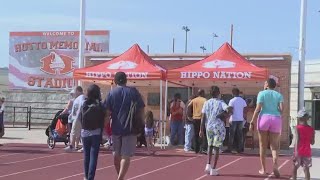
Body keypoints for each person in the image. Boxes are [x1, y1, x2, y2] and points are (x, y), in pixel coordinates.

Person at [104, 72, 145, 180]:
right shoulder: (134, 92)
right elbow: (141, 109)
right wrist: (142, 123)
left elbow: (107, 113)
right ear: (126, 80)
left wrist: (104, 127)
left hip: (116, 128)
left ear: (115, 81)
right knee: (126, 155)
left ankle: (120, 176)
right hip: (130, 128)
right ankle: (120, 178)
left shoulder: (111, 93)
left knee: (116, 154)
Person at [249, 78, 283, 177]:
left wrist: (252, 121)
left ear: (267, 85)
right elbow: (281, 109)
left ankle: (263, 169)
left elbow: (257, 109)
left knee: (262, 145)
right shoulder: (279, 95)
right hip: (276, 119)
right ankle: (275, 165)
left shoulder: (262, 93)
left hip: (264, 118)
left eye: (265, 83)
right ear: (275, 86)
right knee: (274, 146)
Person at [200, 86, 229, 176]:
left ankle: (208, 164)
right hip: (218, 127)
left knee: (210, 146)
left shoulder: (206, 103)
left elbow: (203, 117)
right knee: (216, 147)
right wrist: (225, 114)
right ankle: (214, 168)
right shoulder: (221, 102)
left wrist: (201, 129)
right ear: (218, 93)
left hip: (209, 126)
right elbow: (228, 109)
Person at [80, 84, 105, 180]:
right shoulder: (100, 104)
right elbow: (103, 117)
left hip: (85, 131)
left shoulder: (84, 103)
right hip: (96, 131)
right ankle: (91, 177)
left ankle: (86, 176)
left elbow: (80, 117)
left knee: (86, 155)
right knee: (94, 156)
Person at [292, 109, 315, 180]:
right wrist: (313, 136)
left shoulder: (297, 127)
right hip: (307, 152)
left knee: (295, 167)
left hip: (299, 151)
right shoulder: (311, 129)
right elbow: (312, 142)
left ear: (300, 118)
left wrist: (295, 151)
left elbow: (297, 140)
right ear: (307, 118)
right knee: (306, 169)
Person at [224, 88, 247, 153]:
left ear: (233, 93)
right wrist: (244, 117)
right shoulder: (242, 100)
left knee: (231, 135)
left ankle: (230, 148)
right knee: (240, 135)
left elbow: (230, 110)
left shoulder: (232, 100)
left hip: (233, 119)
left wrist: (227, 116)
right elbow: (245, 110)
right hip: (240, 119)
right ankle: (240, 149)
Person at [65, 86, 85, 152]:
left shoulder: (81, 97)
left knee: (74, 132)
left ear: (78, 91)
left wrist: (78, 114)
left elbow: (82, 105)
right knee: (78, 132)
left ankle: (72, 146)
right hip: (76, 117)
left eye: (75, 91)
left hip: (78, 118)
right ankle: (76, 146)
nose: (74, 93)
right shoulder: (78, 98)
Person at [188, 89, 207, 154]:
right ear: (202, 93)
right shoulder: (205, 100)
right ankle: (203, 148)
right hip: (202, 118)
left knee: (196, 134)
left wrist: (189, 116)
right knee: (203, 134)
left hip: (195, 118)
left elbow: (188, 106)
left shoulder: (194, 100)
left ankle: (196, 149)